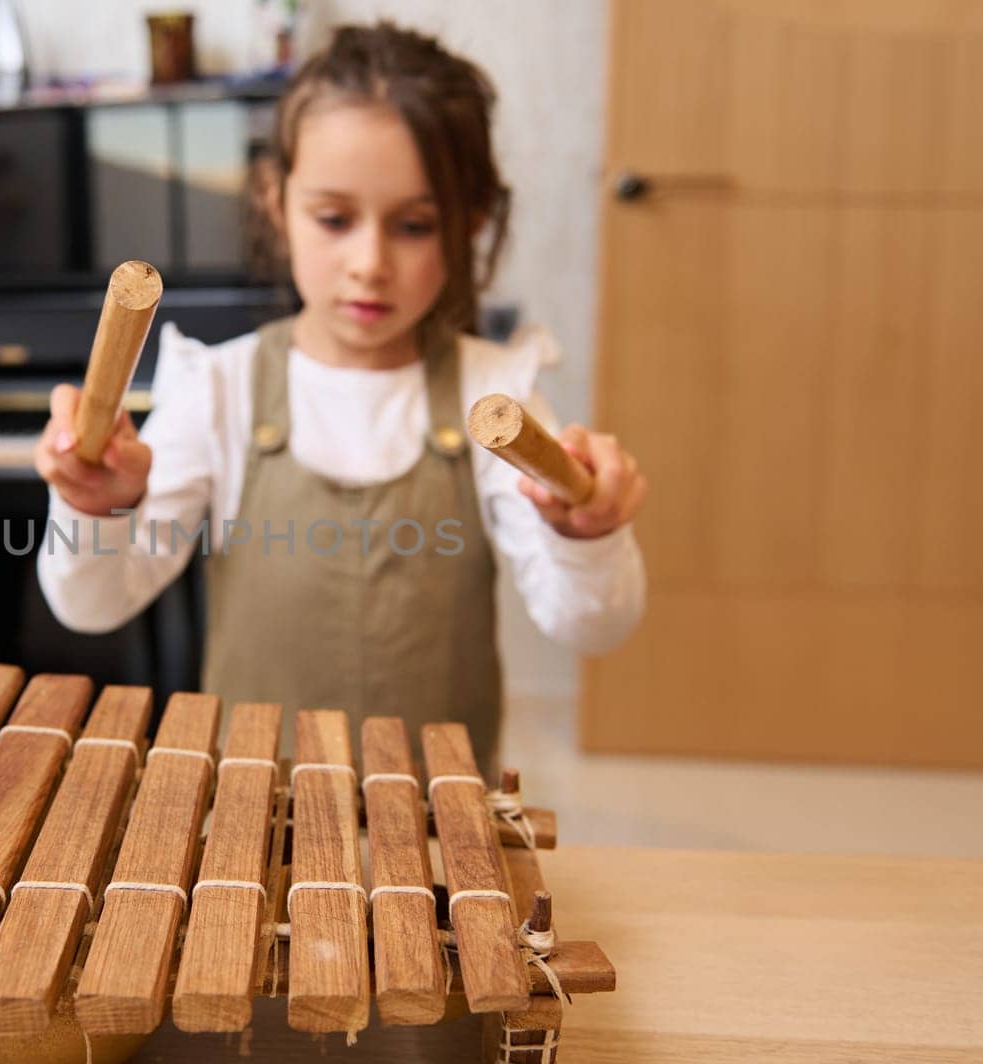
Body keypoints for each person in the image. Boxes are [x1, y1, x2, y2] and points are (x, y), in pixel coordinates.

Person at [34, 23, 647, 762]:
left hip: (434, 827)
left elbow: (592, 627)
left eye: (415, 225)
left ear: (470, 221)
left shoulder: (497, 395)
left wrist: (590, 536)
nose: (369, 263)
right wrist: (95, 508)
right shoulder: (219, 388)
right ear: (274, 200)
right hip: (250, 817)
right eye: (334, 219)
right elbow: (92, 605)